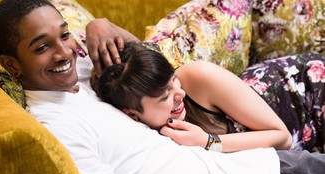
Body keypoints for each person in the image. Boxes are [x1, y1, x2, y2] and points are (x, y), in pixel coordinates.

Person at [0, 0, 325, 174]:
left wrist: (99, 26)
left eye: (64, 34)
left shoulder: (83, 70)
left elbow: (150, 65)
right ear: (11, 64)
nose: (64, 52)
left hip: (260, 163)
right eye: (42, 47)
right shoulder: (56, 129)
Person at [93, 42, 325, 153]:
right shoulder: (140, 132)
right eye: (165, 96)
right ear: (133, 115)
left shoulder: (197, 77)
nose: (179, 93)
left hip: (310, 92)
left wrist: (208, 142)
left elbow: (282, 137)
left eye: (173, 79)